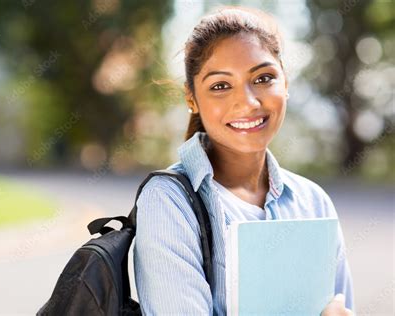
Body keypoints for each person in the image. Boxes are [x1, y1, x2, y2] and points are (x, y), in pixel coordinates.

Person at [133, 6, 355, 315]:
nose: (248, 102)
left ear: (286, 84)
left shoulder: (313, 203)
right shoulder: (168, 202)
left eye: (263, 78)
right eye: (220, 86)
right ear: (192, 99)